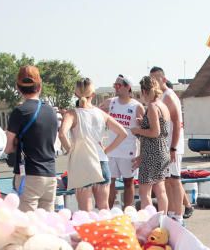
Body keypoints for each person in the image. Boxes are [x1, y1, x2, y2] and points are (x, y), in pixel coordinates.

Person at [58, 78, 126, 212]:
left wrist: (70, 151)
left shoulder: (72, 113)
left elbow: (62, 134)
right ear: (93, 94)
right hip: (101, 161)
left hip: (82, 163)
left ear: (76, 94)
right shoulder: (100, 113)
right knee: (104, 208)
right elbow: (123, 133)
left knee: (85, 211)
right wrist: (106, 150)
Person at [5, 65, 60, 212]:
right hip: (50, 174)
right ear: (39, 86)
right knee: (47, 225)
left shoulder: (19, 112)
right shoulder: (51, 111)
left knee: (26, 226)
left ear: (18, 87)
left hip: (29, 175)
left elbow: (8, 147)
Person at [149, 67, 186, 221]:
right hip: (164, 145)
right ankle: (171, 213)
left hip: (172, 146)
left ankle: (179, 215)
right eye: (151, 79)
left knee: (175, 180)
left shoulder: (169, 96)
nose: (153, 82)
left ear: (163, 79)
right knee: (168, 180)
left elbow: (177, 123)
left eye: (156, 79)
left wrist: (173, 147)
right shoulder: (159, 97)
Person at [131, 75, 170, 212]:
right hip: (162, 151)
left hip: (152, 153)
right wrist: (144, 124)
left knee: (144, 192)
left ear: (144, 91)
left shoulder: (152, 107)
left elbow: (155, 132)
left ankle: (148, 220)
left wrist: (138, 130)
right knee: (160, 190)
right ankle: (163, 219)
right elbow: (160, 129)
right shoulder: (162, 105)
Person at [103, 75, 142, 209]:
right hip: (112, 149)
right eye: (115, 85)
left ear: (128, 87)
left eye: (118, 85)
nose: (116, 88)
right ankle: (107, 212)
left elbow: (143, 133)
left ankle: (128, 212)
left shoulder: (137, 106)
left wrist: (141, 154)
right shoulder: (110, 102)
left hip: (128, 150)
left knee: (128, 182)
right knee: (109, 182)